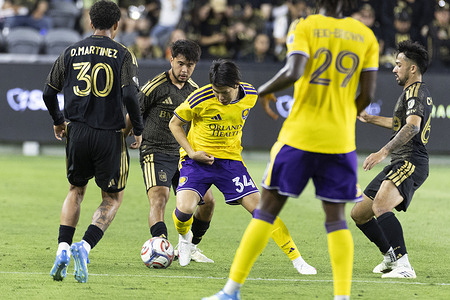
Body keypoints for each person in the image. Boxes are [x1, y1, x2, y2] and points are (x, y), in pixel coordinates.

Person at [204, 0, 379, 299]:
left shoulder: (306, 25)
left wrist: (264, 90)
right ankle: (342, 297)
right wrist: (342, 115)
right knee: (336, 219)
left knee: (266, 211)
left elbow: (294, 69)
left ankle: (231, 291)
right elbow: (369, 94)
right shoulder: (366, 35)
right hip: (339, 140)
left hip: (299, 136)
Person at [169, 59, 317, 275]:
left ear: (236, 84)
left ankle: (298, 260)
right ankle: (184, 240)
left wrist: (267, 99)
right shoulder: (200, 98)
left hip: (230, 162)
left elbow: (261, 93)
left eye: (224, 92)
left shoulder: (250, 94)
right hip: (198, 160)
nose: (220, 97)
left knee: (263, 210)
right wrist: (191, 153)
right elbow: (174, 123)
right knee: (184, 211)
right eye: (216, 91)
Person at [43, 0, 143, 283]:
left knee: (76, 189)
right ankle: (84, 246)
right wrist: (138, 127)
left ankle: (62, 247)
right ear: (116, 25)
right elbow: (130, 96)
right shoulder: (124, 55)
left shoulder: (70, 52)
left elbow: (48, 93)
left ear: (90, 22)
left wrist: (58, 121)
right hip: (109, 135)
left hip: (77, 132)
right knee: (112, 197)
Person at [124, 39, 215, 263]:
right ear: (171, 59)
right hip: (155, 151)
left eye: (190, 65)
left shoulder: (195, 92)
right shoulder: (155, 86)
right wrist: (123, 138)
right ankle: (161, 245)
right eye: (181, 63)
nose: (184, 70)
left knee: (208, 202)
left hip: (184, 155)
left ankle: (191, 247)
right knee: (159, 199)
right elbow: (134, 111)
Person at [350, 40, 431, 279]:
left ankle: (404, 266)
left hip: (410, 161)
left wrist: (382, 152)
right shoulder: (412, 93)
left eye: (398, 64)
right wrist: (370, 118)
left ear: (412, 68)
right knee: (360, 214)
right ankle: (390, 256)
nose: (394, 69)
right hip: (401, 161)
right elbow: (400, 124)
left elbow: (412, 127)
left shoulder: (415, 90)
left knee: (381, 206)